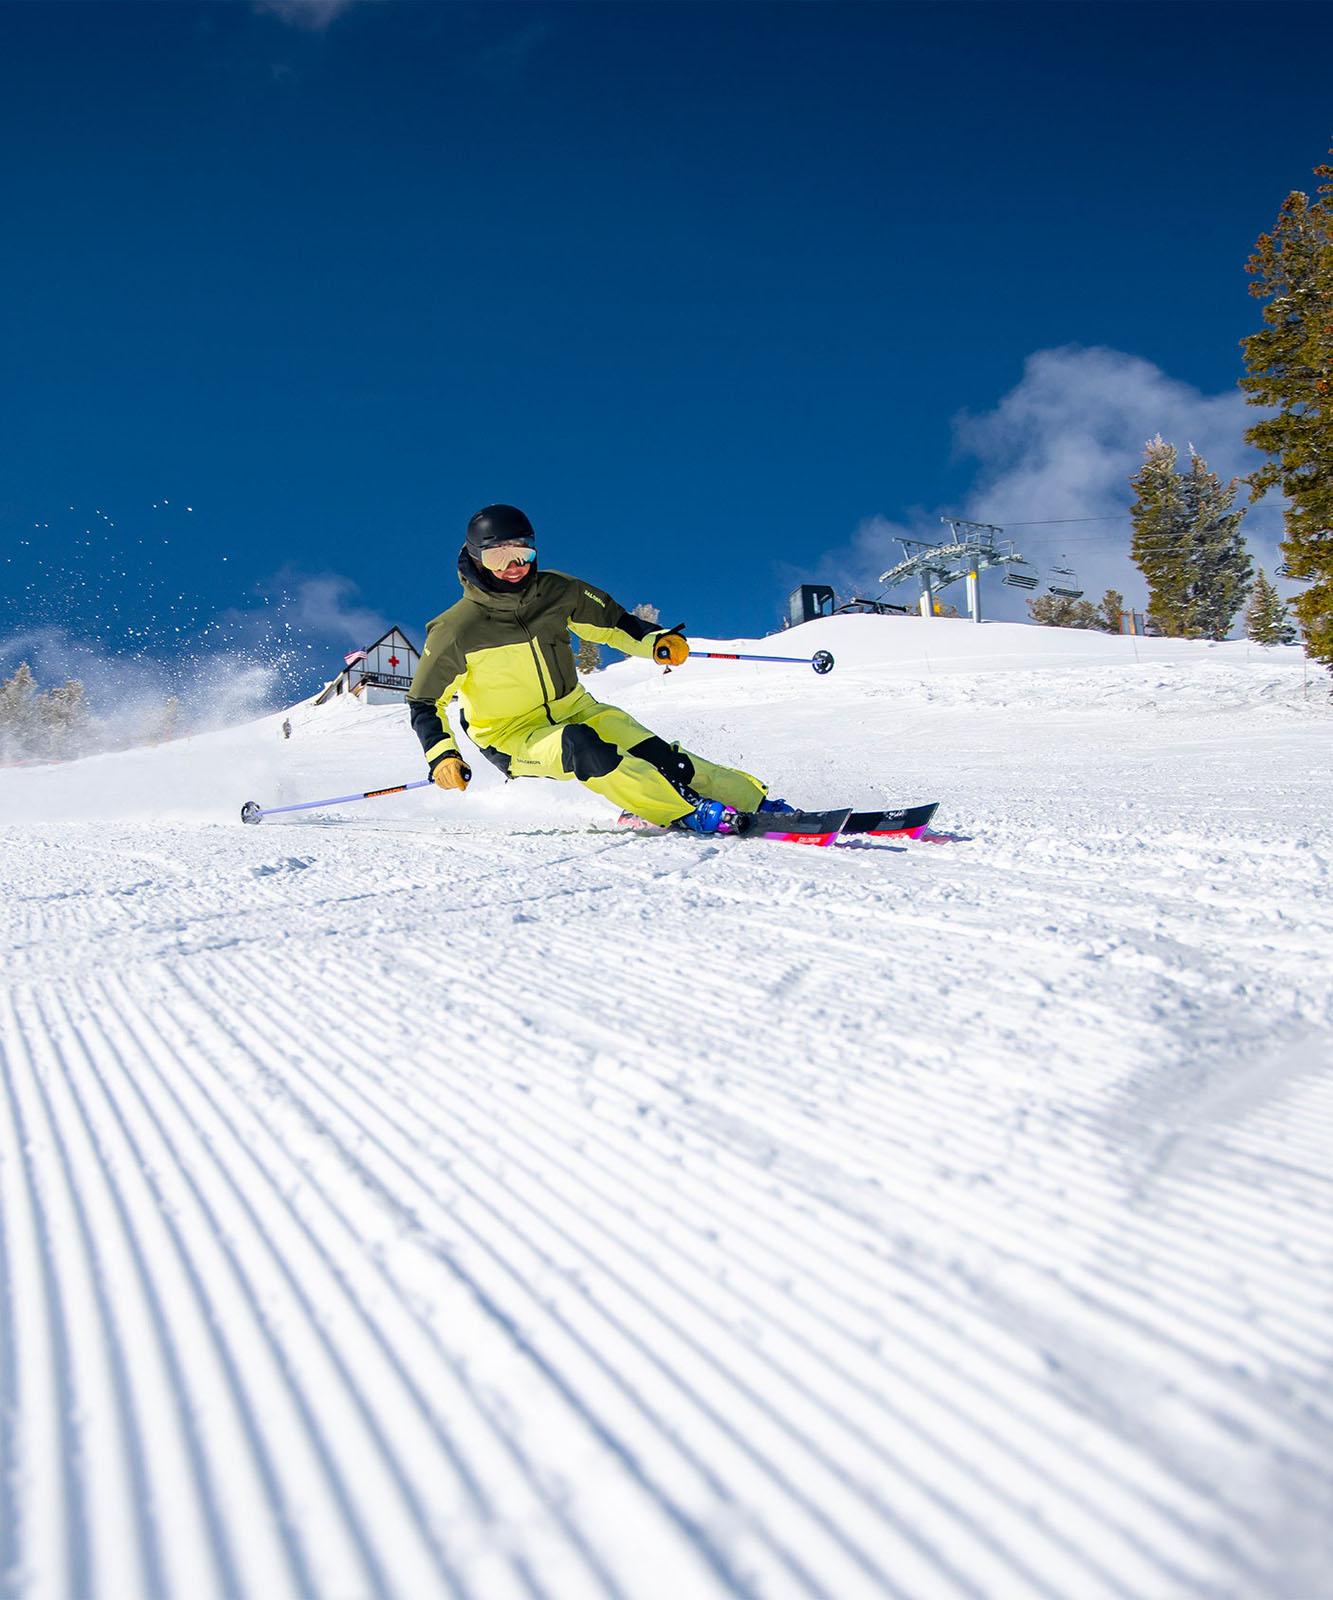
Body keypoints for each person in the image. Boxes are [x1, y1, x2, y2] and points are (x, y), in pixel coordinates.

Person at [406, 504, 792, 832]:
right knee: (583, 747)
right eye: (497, 558)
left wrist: (657, 642)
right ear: (476, 558)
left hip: (576, 707)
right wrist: (442, 755)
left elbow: (614, 623)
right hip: (511, 735)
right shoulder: (457, 629)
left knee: (661, 756)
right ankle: (684, 812)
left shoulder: (557, 592)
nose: (513, 567)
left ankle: (755, 802)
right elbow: (424, 701)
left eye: (522, 554)